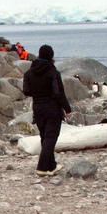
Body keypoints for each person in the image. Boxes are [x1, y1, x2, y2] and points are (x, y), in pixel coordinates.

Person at [22, 44, 72, 176]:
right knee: (51, 137)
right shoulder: (53, 72)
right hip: (52, 108)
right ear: (51, 56)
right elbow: (58, 93)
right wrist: (67, 109)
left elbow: (26, 91)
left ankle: (51, 166)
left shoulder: (29, 73)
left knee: (44, 137)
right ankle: (42, 167)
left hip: (37, 107)